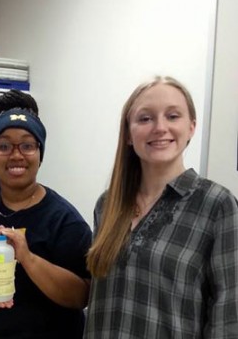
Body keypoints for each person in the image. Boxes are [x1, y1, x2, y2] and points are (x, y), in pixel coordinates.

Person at [84, 76, 238, 338]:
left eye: (173, 116)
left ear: (191, 127)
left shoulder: (216, 205)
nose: (159, 127)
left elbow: (229, 314)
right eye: (145, 118)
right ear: (129, 134)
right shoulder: (107, 204)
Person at [0, 89, 92, 339]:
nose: (16, 154)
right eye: (3, 146)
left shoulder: (64, 220)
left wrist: (27, 257)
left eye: (27, 145)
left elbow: (82, 296)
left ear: (40, 154)